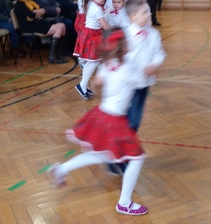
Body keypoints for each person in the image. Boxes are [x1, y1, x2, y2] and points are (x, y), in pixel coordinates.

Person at [48, 27, 150, 216]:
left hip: (101, 115)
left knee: (101, 155)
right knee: (137, 158)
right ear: (122, 45)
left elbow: (99, 81)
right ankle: (124, 202)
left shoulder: (107, 63)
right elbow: (143, 80)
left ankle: (61, 169)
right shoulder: (128, 67)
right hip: (114, 121)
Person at [108, 0, 165, 175]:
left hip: (143, 85)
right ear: (132, 16)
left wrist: (154, 65)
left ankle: (117, 155)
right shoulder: (125, 36)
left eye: (149, 11)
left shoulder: (154, 34)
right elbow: (118, 59)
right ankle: (118, 157)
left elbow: (159, 54)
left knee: (134, 122)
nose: (149, 14)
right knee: (127, 121)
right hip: (127, 86)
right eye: (145, 12)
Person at [13, 0, 69, 64]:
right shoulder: (20, 4)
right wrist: (38, 12)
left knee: (62, 25)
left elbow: (42, 10)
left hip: (35, 22)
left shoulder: (29, 1)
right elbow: (32, 15)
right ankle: (52, 56)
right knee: (58, 29)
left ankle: (58, 53)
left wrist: (38, 12)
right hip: (28, 26)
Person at [74, 0, 110, 98]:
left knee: (92, 61)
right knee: (93, 61)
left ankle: (83, 85)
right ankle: (82, 85)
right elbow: (105, 25)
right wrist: (115, 31)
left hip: (92, 33)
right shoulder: (97, 8)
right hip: (92, 35)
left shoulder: (91, 3)